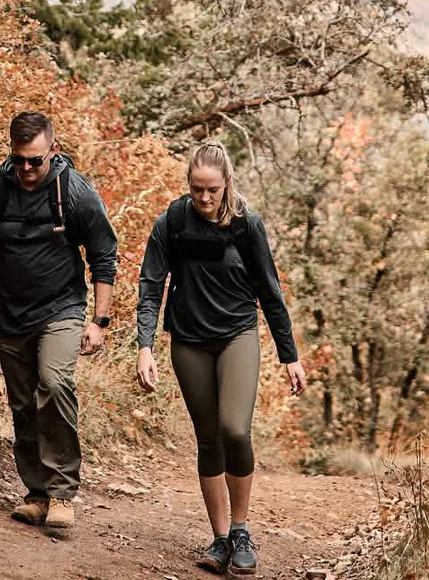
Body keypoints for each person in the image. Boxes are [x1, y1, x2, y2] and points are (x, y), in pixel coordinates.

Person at [136, 142, 306, 575]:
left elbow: (270, 290)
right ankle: (219, 537)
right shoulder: (172, 221)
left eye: (212, 190)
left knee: (234, 429)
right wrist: (144, 347)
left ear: (226, 183)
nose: (205, 198)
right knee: (208, 436)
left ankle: (242, 530)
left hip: (236, 334)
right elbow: (151, 285)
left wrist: (290, 356)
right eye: (197, 190)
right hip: (189, 340)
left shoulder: (247, 225)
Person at [0, 111, 117, 531]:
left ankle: (62, 492)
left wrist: (99, 320)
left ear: (53, 152)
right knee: (23, 403)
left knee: (54, 382)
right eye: (20, 159)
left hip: (62, 308)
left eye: (36, 160)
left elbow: (103, 257)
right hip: (9, 313)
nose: (26, 169)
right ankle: (36, 493)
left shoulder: (75, 194)